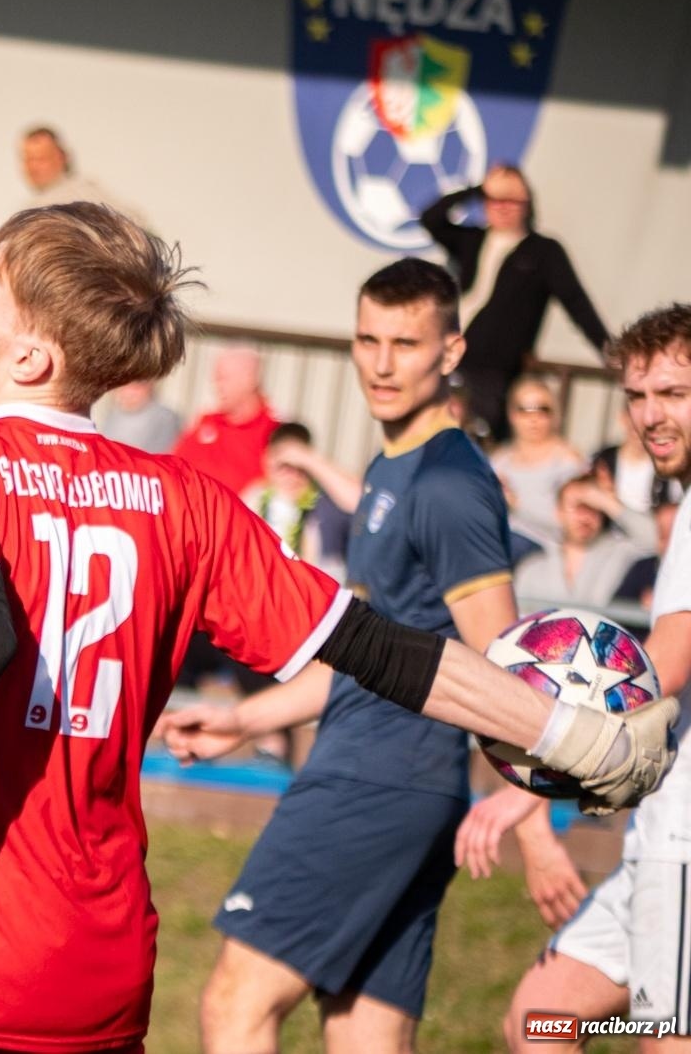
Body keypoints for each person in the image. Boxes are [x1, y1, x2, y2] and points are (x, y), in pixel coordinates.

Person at [0, 205, 673, 1054]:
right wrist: (568, 733)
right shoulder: (186, 497)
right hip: (99, 972)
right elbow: (384, 649)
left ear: (31, 357)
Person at [157, 259, 556, 1052]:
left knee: (235, 1003)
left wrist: (535, 822)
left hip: (377, 779)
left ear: (451, 351)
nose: (381, 363)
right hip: (400, 780)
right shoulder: (391, 466)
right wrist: (246, 718)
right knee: (364, 1034)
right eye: (369, 339)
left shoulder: (447, 483)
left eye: (406, 343)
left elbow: (506, 672)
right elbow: (364, 652)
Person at [447, 304, 691, 1052]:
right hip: (658, 839)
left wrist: (531, 784)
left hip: (684, 851)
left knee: (665, 1037)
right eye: (637, 395)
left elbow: (656, 670)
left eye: (674, 393)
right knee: (541, 1019)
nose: (650, 415)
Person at [421, 165, 608, 442]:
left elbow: (576, 302)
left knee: (477, 444)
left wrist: (608, 349)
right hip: (449, 359)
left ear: (527, 204)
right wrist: (479, 189)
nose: (503, 207)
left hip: (493, 373)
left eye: (512, 200)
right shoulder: (472, 239)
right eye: (495, 200)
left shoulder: (543, 252)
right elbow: (431, 219)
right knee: (425, 434)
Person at [513, 475, 658, 609]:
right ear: (559, 512)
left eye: (592, 508)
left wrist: (606, 501)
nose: (584, 517)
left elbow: (657, 540)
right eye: (576, 508)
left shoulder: (621, 552)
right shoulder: (533, 568)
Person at [492, 375, 588, 554]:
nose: (533, 418)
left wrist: (517, 505)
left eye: (542, 409)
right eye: (524, 409)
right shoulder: (500, 460)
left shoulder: (568, 462)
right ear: (511, 414)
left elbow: (573, 524)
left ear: (554, 414)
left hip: (544, 550)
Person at [241, 421, 352, 574]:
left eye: (298, 467)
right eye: (283, 466)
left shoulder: (325, 506)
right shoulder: (254, 498)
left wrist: (308, 459)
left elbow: (357, 501)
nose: (291, 475)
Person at [172, 347, 279, 494]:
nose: (217, 387)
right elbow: (173, 467)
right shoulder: (206, 422)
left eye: (223, 378)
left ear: (250, 379)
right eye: (216, 379)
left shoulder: (273, 430)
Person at [19, 126, 148, 227]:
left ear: (61, 158)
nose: (33, 167)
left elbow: (137, 221)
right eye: (28, 160)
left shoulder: (80, 193)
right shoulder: (33, 206)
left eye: (40, 159)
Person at [100, 378, 181, 454]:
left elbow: (160, 454)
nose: (128, 393)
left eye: (135, 388)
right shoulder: (114, 415)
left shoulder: (165, 418)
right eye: (123, 386)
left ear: (149, 386)